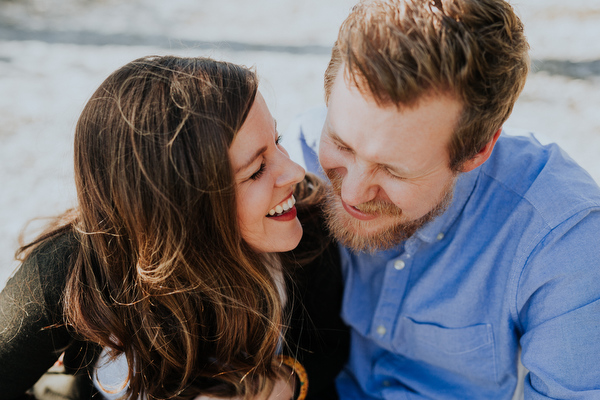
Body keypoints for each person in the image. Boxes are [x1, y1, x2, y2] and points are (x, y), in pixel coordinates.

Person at [287, 0, 600, 398]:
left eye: (394, 170)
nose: (351, 192)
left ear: (477, 151)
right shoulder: (295, 158)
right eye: (341, 144)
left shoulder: (561, 236)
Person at [0, 56, 348, 400]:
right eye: (257, 169)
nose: (294, 172)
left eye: (278, 139)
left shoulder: (308, 227)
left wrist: (276, 386)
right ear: (182, 208)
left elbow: (327, 347)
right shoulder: (72, 271)